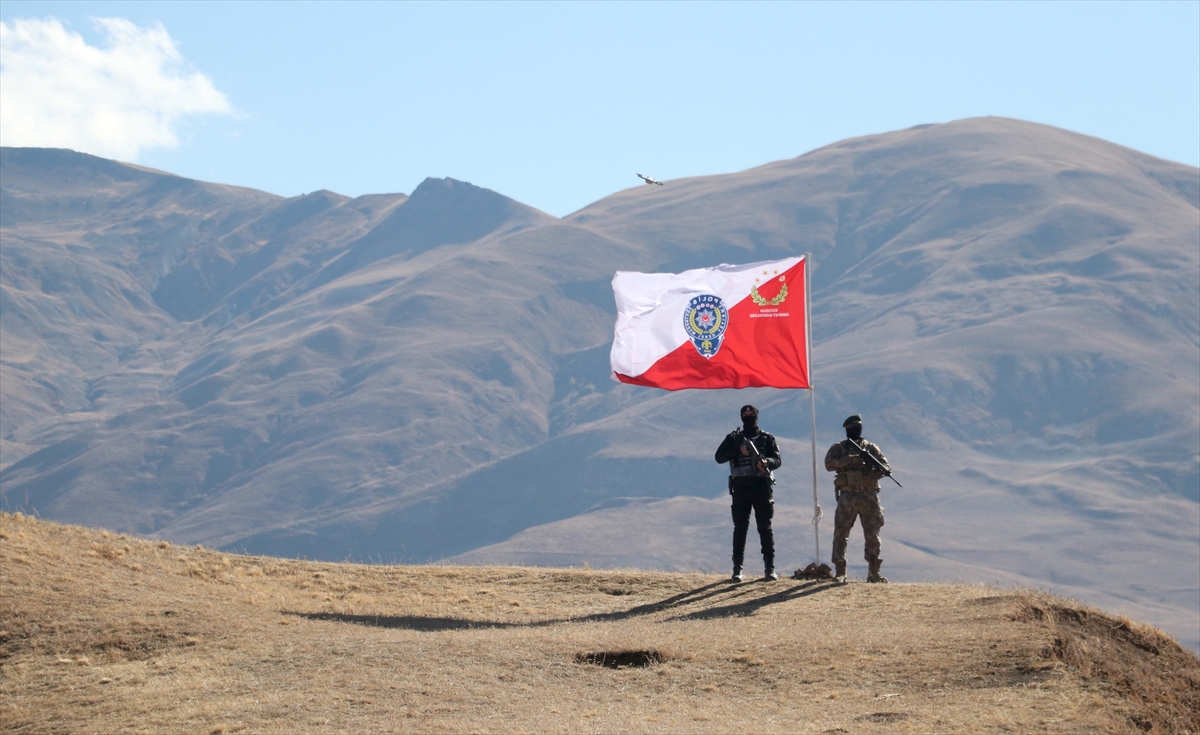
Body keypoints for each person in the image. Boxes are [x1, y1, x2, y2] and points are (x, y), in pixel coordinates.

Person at [714, 405, 782, 582]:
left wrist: (766, 462)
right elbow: (719, 457)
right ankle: (737, 570)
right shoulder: (734, 438)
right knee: (740, 529)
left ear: (757, 416)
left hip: (761, 486)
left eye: (751, 414)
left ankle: (770, 568)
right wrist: (738, 450)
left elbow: (777, 459)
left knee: (765, 528)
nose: (748, 417)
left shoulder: (767, 438)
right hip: (741, 488)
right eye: (745, 414)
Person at [825, 414, 891, 583]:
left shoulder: (871, 449)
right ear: (847, 429)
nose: (856, 430)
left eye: (858, 427)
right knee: (841, 532)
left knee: (872, 534)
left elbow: (885, 469)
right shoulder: (839, 448)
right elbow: (829, 464)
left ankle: (874, 571)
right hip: (847, 496)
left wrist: (869, 467)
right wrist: (849, 460)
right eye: (853, 428)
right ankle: (840, 571)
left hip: (869, 496)